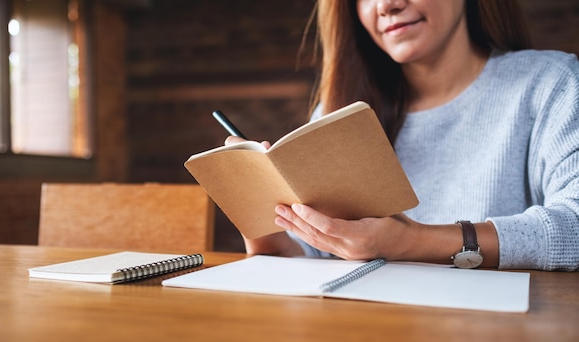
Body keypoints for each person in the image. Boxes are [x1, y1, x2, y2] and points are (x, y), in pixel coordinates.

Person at [225, 0, 579, 271]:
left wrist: (411, 242)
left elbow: (573, 229)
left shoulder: (551, 84)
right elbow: (310, 258)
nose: (386, 5)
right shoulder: (340, 112)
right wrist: (260, 220)